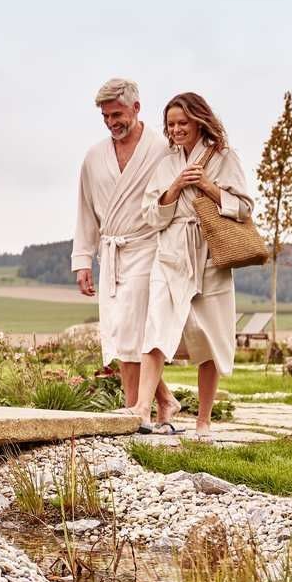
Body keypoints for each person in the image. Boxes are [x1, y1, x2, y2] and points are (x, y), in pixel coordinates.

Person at [134, 91, 253, 438]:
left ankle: (203, 421)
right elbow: (151, 216)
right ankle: (142, 409)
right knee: (155, 327)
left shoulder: (225, 157)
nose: (175, 130)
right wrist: (173, 189)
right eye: (170, 124)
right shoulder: (166, 163)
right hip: (170, 255)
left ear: (199, 120)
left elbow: (244, 208)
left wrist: (208, 186)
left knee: (210, 339)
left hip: (210, 256)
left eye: (182, 123)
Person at [72, 77, 176, 420]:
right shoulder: (93, 156)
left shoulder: (162, 150)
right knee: (119, 332)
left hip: (147, 246)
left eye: (117, 114)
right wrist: (82, 259)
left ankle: (133, 409)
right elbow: (85, 210)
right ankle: (164, 401)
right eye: (105, 117)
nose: (112, 122)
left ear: (136, 107)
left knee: (131, 329)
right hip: (111, 252)